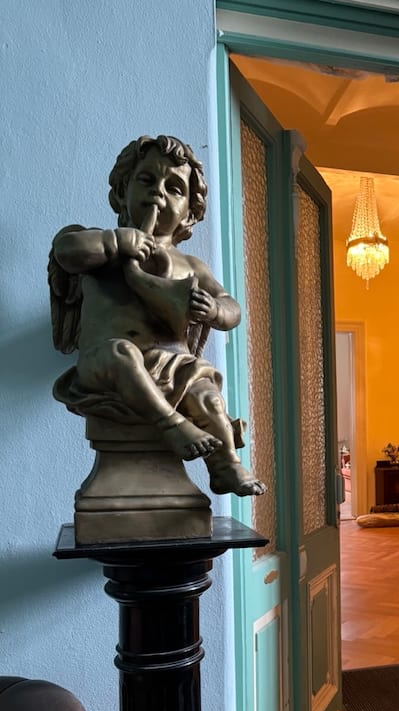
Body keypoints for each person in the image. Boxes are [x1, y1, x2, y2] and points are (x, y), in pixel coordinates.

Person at [49, 134, 266, 497]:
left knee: (210, 399)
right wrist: (117, 242)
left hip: (172, 364)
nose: (158, 193)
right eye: (146, 180)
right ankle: (171, 423)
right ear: (122, 192)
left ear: (190, 212)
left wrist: (214, 309)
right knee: (122, 352)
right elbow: (66, 251)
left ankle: (225, 465)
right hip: (106, 364)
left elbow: (232, 308)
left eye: (174, 188)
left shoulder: (190, 266)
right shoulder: (98, 246)